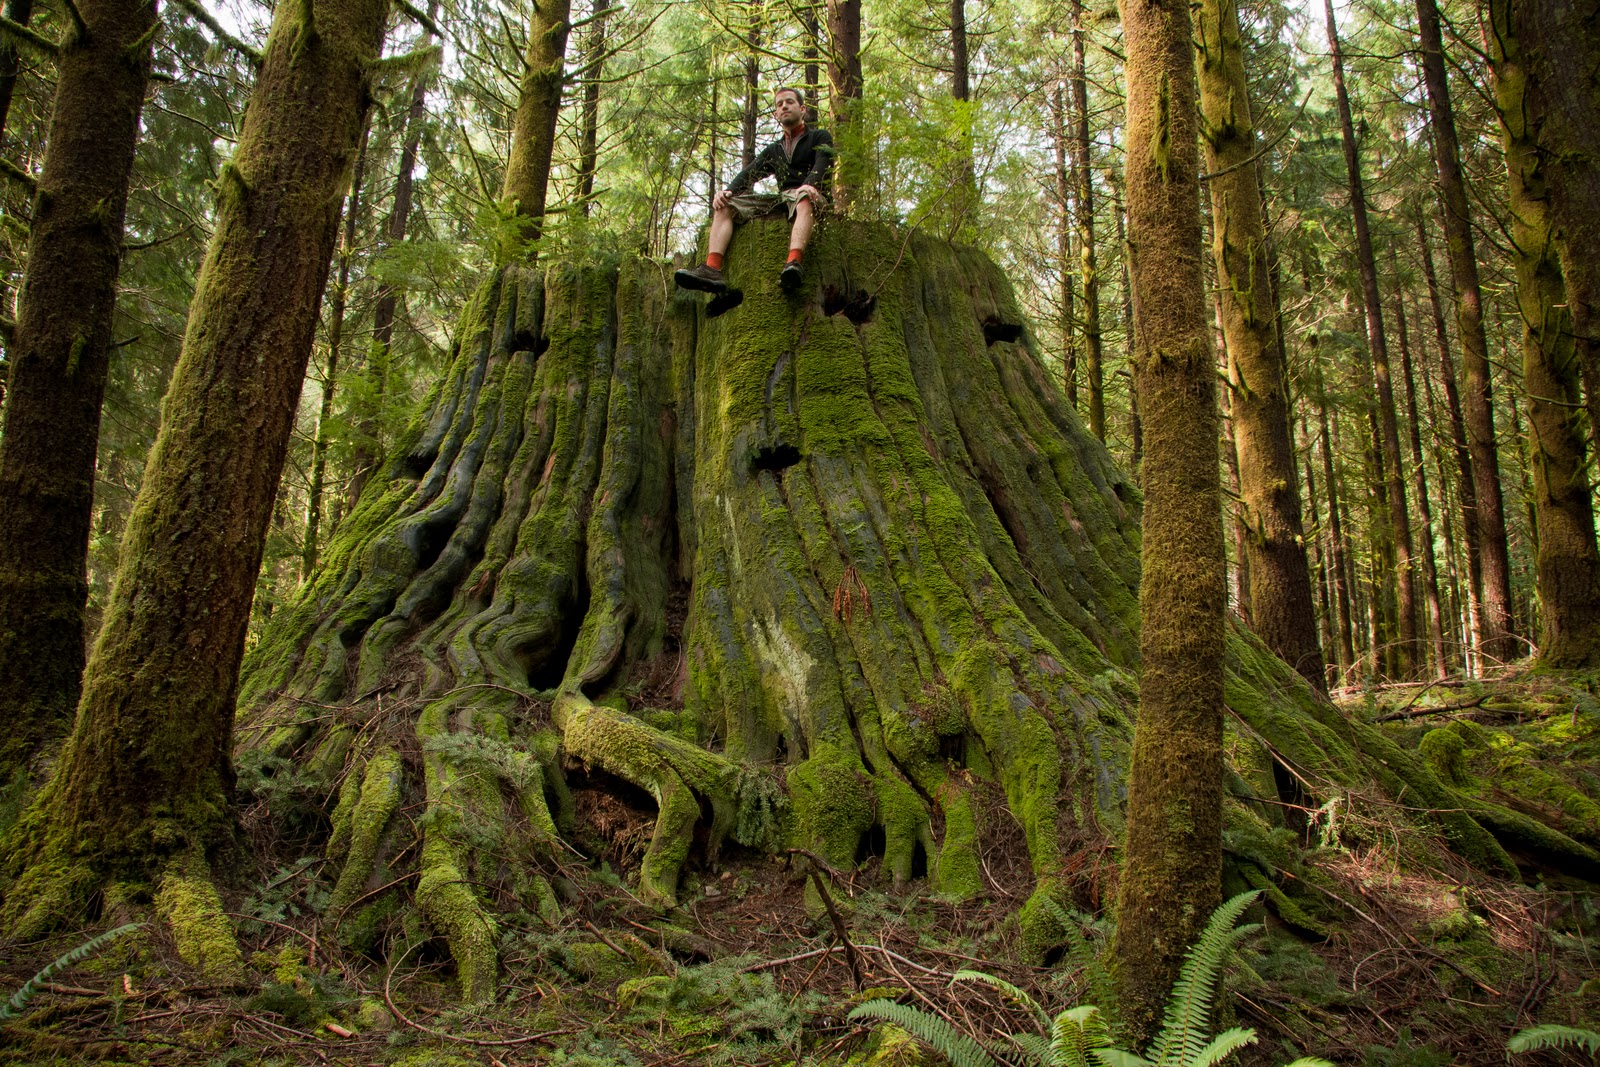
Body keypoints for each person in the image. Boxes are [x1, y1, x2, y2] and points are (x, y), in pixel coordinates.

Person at [675, 86, 834, 294]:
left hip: (811, 197)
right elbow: (750, 173)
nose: (784, 106)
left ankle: (793, 264)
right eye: (779, 104)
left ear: (802, 109)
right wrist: (728, 191)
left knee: (804, 196)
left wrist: (810, 183)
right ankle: (711, 269)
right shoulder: (774, 150)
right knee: (726, 205)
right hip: (783, 198)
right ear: (776, 114)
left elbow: (823, 162)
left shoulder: (819, 137)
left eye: (789, 102)